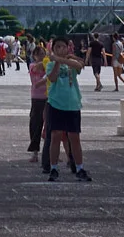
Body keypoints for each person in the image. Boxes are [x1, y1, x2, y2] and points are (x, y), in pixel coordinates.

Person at [40, 38, 91, 180]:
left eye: (63, 46)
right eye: (57, 47)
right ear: (53, 49)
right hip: (56, 103)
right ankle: (53, 167)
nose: (61, 49)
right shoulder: (51, 64)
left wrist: (62, 59)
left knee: (74, 137)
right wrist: (57, 61)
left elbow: (79, 65)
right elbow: (52, 78)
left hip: (72, 104)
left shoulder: (70, 64)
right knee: (55, 136)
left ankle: (80, 167)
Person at [27, 42, 48, 159]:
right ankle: (35, 151)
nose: (41, 56)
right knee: (35, 124)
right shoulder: (32, 65)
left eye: (43, 54)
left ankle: (49, 149)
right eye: (39, 54)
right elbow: (37, 67)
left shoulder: (48, 64)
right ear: (34, 56)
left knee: (49, 125)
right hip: (37, 98)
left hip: (48, 97)